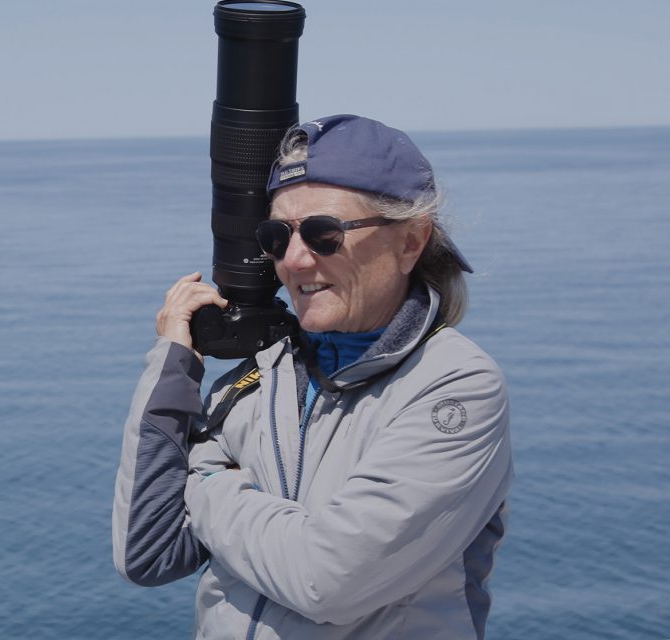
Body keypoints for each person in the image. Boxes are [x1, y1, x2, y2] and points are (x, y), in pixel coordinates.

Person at [112, 114, 513, 640]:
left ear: (411, 242)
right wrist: (173, 366)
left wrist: (209, 484)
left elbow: (327, 582)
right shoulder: (264, 376)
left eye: (325, 234)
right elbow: (149, 551)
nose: (295, 260)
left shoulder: (455, 387)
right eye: (277, 236)